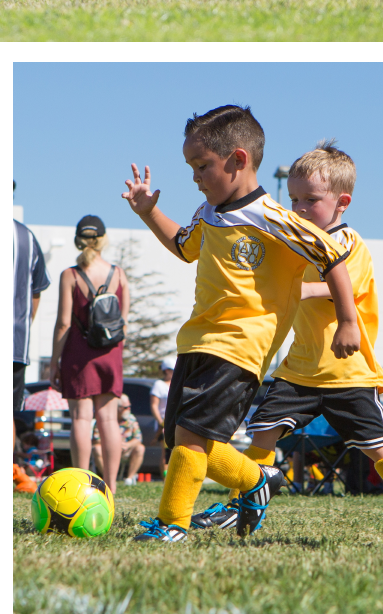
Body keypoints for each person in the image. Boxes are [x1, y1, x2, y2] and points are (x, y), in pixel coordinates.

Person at [122, 103, 360, 542]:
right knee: (182, 443)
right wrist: (147, 211)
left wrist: (348, 320)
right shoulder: (208, 212)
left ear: (238, 160)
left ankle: (172, 525)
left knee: (191, 440)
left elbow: (331, 256)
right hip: (196, 339)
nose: (195, 176)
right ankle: (255, 480)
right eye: (191, 166)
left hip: (242, 346)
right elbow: (183, 246)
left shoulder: (275, 218)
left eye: (202, 165)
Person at [195, 140, 383, 529]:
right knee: (262, 432)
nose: (298, 208)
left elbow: (336, 285)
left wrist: (291, 291)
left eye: (309, 200)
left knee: (376, 448)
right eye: (293, 198)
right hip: (298, 371)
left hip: (348, 373)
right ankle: (240, 504)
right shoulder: (295, 240)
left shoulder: (348, 243)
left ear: (341, 203)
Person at [48, 215, 129, 492]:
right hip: (110, 353)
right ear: (103, 240)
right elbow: (124, 322)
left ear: (77, 240)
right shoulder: (118, 274)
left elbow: (63, 323)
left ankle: (80, 484)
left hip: (79, 352)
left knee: (81, 418)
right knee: (109, 419)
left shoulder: (69, 275)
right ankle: (111, 488)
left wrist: (54, 361)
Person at [13, 188, 51, 493]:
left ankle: (11, 469)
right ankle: (12, 469)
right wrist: (24, 325)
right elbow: (37, 291)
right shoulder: (26, 237)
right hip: (15, 340)